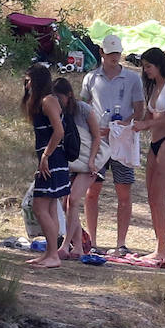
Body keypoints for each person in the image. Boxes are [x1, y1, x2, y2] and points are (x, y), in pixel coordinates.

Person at [80, 34, 145, 256]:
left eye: (117, 53)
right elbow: (83, 105)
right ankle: (93, 241)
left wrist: (122, 126)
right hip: (98, 142)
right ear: (101, 53)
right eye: (110, 53)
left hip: (122, 142)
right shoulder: (90, 78)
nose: (114, 58)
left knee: (123, 191)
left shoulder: (132, 79)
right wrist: (92, 129)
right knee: (92, 191)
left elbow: (139, 110)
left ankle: (121, 243)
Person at [131, 48, 165, 267]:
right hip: (154, 144)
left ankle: (163, 249)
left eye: (148, 66)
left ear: (159, 64)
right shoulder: (154, 87)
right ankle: (158, 247)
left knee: (159, 196)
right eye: (144, 67)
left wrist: (147, 124)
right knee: (152, 197)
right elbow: (148, 116)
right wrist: (130, 123)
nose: (146, 70)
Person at [22, 64, 69, 269]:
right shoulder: (41, 102)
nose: (26, 84)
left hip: (52, 160)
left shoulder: (48, 100)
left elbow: (58, 131)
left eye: (29, 80)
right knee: (49, 207)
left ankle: (53, 254)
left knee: (40, 207)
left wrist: (45, 156)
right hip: (50, 159)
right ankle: (51, 253)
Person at [53, 78, 102, 259]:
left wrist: (91, 161)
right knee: (67, 204)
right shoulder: (57, 111)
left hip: (92, 161)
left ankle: (66, 245)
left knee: (73, 200)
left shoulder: (83, 109)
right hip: (72, 161)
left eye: (60, 98)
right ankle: (79, 247)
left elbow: (97, 137)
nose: (58, 102)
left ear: (69, 95)